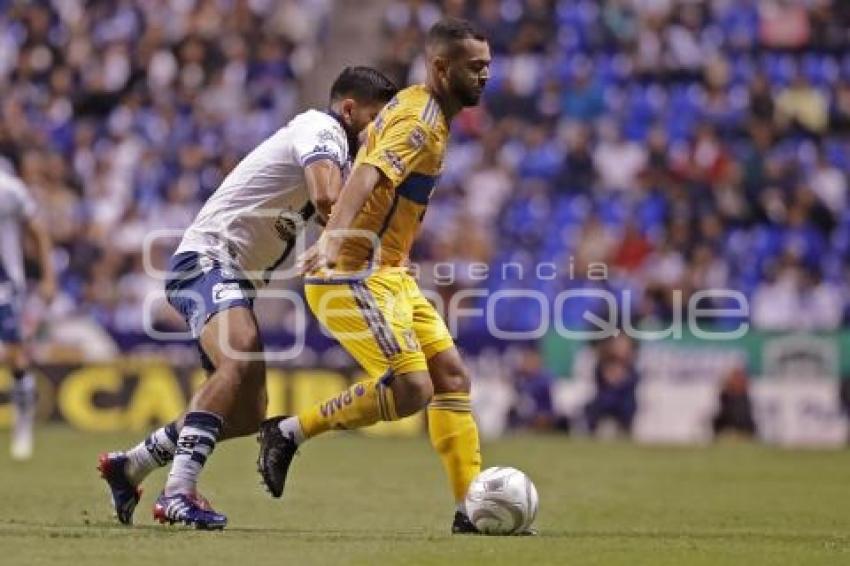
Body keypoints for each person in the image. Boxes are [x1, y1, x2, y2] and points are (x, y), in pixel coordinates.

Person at [97, 67, 398, 530]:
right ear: (350, 109)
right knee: (236, 360)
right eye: (376, 118)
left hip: (235, 277)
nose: (379, 129)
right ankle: (178, 493)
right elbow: (325, 199)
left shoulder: (338, 144)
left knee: (246, 412)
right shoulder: (324, 131)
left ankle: (131, 465)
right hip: (207, 260)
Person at [257, 17, 497, 535]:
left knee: (451, 377)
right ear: (441, 66)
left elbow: (365, 145)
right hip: (353, 275)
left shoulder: (414, 105)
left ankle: (470, 510)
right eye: (475, 67)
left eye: (488, 66)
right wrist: (335, 238)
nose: (485, 76)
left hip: (388, 272)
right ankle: (290, 433)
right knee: (412, 388)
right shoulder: (419, 121)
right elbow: (367, 173)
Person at [0, 166, 56, 460]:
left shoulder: (8, 188)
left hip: (5, 284)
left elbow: (37, 228)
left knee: (14, 355)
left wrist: (49, 276)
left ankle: (23, 422)